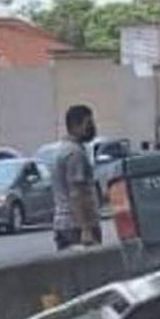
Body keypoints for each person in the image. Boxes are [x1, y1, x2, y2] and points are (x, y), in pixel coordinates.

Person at [52, 104, 102, 251]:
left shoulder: (63, 149)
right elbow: (78, 193)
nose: (93, 128)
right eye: (88, 124)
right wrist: (86, 229)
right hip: (75, 226)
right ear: (75, 126)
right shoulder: (75, 154)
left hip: (64, 224)